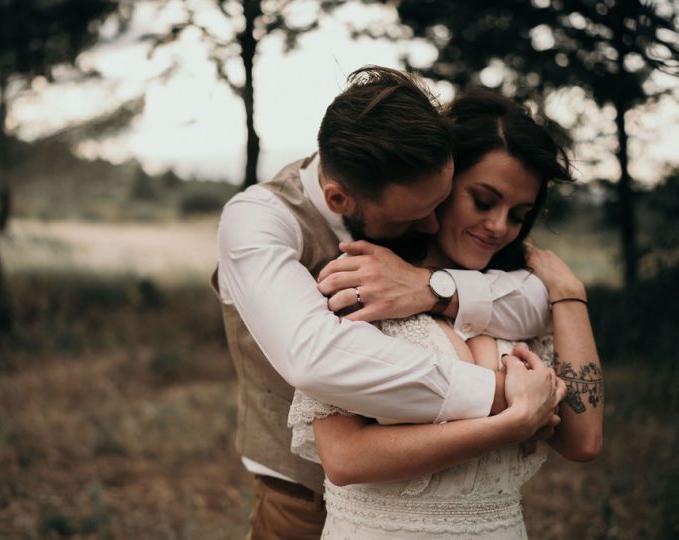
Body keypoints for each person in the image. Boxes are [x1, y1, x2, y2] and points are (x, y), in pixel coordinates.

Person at [213, 66, 558, 539]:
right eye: (415, 217)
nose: (433, 228)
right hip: (300, 498)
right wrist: (498, 395)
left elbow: (536, 297)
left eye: (438, 206)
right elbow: (316, 359)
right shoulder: (258, 222)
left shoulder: (405, 176)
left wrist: (436, 288)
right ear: (339, 200)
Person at [289, 89, 603, 538]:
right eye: (483, 200)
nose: (499, 227)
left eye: (519, 214)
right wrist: (512, 424)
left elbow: (583, 439)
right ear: (440, 182)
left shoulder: (520, 300)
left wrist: (569, 295)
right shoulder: (363, 281)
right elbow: (344, 458)